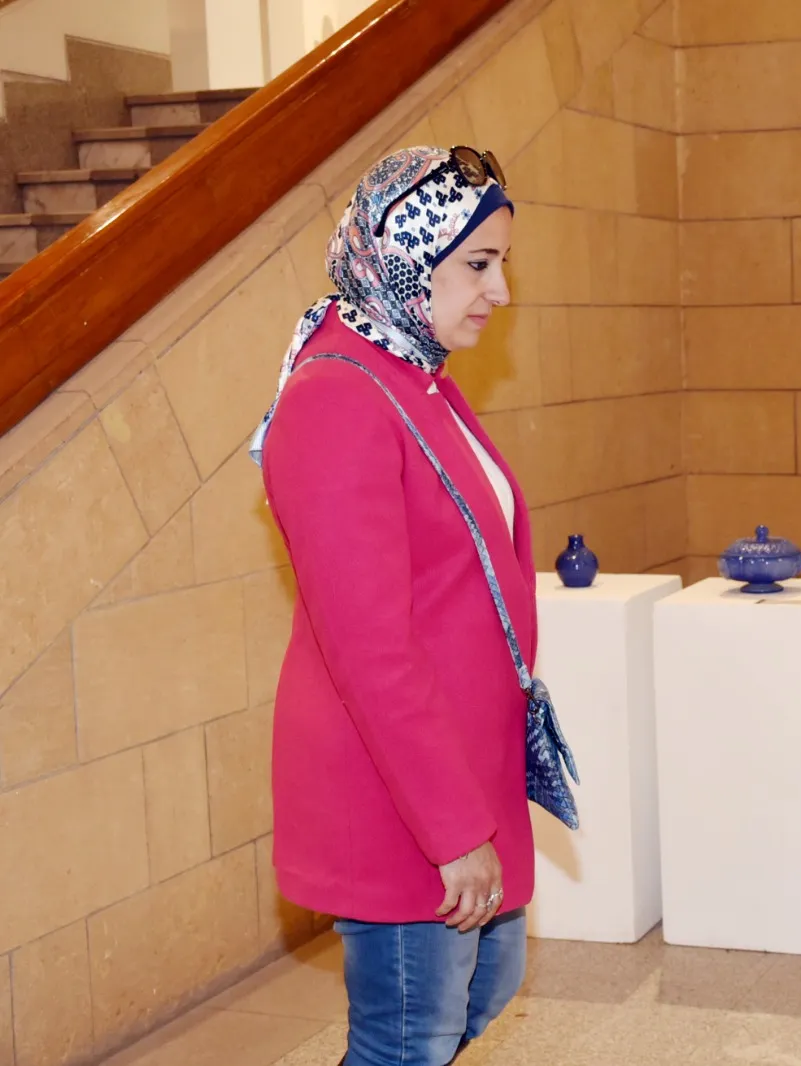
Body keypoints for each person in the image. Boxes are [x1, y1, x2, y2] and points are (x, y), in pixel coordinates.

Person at [250, 145, 533, 1066]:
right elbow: (370, 648)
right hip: (396, 788)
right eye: (477, 265)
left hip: (456, 764)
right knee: (408, 1040)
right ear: (406, 258)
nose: (499, 291)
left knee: (479, 994)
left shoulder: (415, 374)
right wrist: (452, 829)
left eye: (502, 263)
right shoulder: (338, 397)